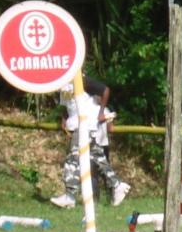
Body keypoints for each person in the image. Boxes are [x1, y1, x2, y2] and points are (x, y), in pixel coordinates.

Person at [51, 77, 130, 208]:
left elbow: (105, 90)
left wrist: (101, 113)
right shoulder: (62, 84)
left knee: (73, 158)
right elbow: (67, 104)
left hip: (86, 123)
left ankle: (69, 195)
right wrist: (64, 118)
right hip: (76, 124)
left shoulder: (81, 79)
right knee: (97, 156)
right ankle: (118, 185)